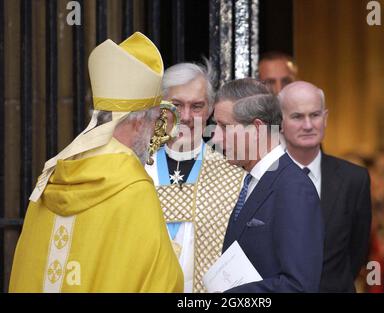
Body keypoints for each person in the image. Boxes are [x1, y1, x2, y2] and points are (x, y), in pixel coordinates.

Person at [9, 32, 183, 292]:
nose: (153, 132)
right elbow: (163, 283)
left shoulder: (51, 179)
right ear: (138, 121)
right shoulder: (133, 189)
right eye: (154, 119)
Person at [211, 78, 324, 292]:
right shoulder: (253, 180)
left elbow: (299, 286)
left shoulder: (294, 188)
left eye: (224, 127)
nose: (215, 137)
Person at [145, 62, 245, 292]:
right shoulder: (137, 167)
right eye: (177, 105)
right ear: (161, 107)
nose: (187, 117)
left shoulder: (232, 174)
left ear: (210, 109)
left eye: (197, 106)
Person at [278, 81, 372, 292]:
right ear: (280, 122)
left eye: (315, 115)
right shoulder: (264, 178)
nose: (308, 125)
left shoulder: (354, 179)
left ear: (326, 118)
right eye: (297, 116)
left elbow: (358, 252)